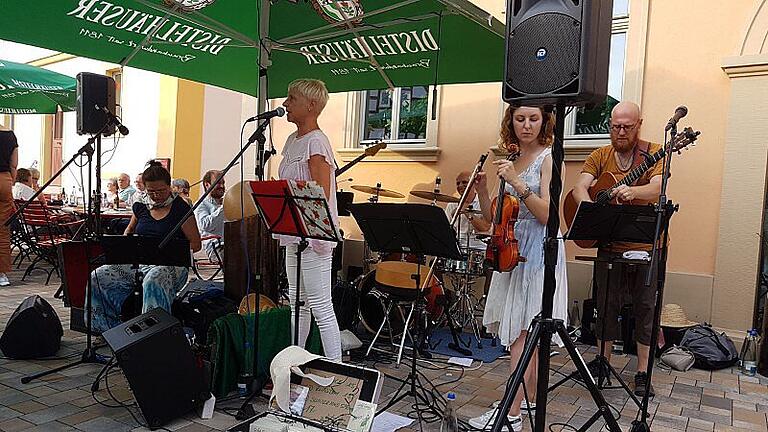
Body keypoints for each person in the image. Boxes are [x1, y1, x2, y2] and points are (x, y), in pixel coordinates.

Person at [469, 105, 568, 431]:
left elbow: (549, 217)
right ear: (511, 121)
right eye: (520, 118)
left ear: (544, 122)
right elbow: (494, 217)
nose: (526, 125)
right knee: (527, 331)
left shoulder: (549, 158)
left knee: (523, 333)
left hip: (539, 251)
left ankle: (510, 414)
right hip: (512, 248)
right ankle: (529, 398)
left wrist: (518, 184)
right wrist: (483, 191)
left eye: (533, 119)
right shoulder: (510, 159)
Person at [571, 101, 662, 397]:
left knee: (645, 308)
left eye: (627, 126)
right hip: (609, 242)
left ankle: (642, 372)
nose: (620, 132)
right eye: (615, 126)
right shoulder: (600, 155)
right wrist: (590, 209)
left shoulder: (653, 152)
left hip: (645, 245)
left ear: (639, 125)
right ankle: (602, 362)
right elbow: (579, 186)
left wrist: (632, 191)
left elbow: (658, 189)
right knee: (605, 304)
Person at [90, 163, 201, 333]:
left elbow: (196, 243)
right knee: (99, 275)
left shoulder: (181, 208)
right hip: (141, 262)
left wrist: (172, 250)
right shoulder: (141, 205)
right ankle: (107, 330)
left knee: (154, 278)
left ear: (169, 186)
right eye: (151, 191)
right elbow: (130, 230)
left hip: (172, 266)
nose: (156, 195)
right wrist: (125, 244)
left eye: (161, 191)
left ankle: (153, 333)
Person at [278, 78, 342, 361]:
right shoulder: (293, 140)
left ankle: (339, 371)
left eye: (292, 99)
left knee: (320, 304)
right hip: (293, 231)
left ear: (312, 105)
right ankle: (296, 362)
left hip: (314, 235)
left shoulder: (316, 141)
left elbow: (320, 194)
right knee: (297, 302)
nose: (285, 104)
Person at [444, 170, 491, 250]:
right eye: (458, 183)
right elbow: (446, 230)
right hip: (458, 247)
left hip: (478, 248)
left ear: (473, 184)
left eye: (464, 182)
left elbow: (485, 227)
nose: (460, 185)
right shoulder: (451, 204)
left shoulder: (483, 202)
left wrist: (465, 211)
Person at [194, 170, 225, 263]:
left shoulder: (224, 203)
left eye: (223, 183)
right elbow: (205, 225)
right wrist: (223, 208)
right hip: (216, 247)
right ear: (207, 185)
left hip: (233, 245)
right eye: (218, 183)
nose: (222, 186)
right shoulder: (201, 204)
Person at [0, 127, 18, 287]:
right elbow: (14, 165)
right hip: (4, 180)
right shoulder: (9, 135)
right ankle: (2, 274)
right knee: (3, 230)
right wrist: (10, 182)